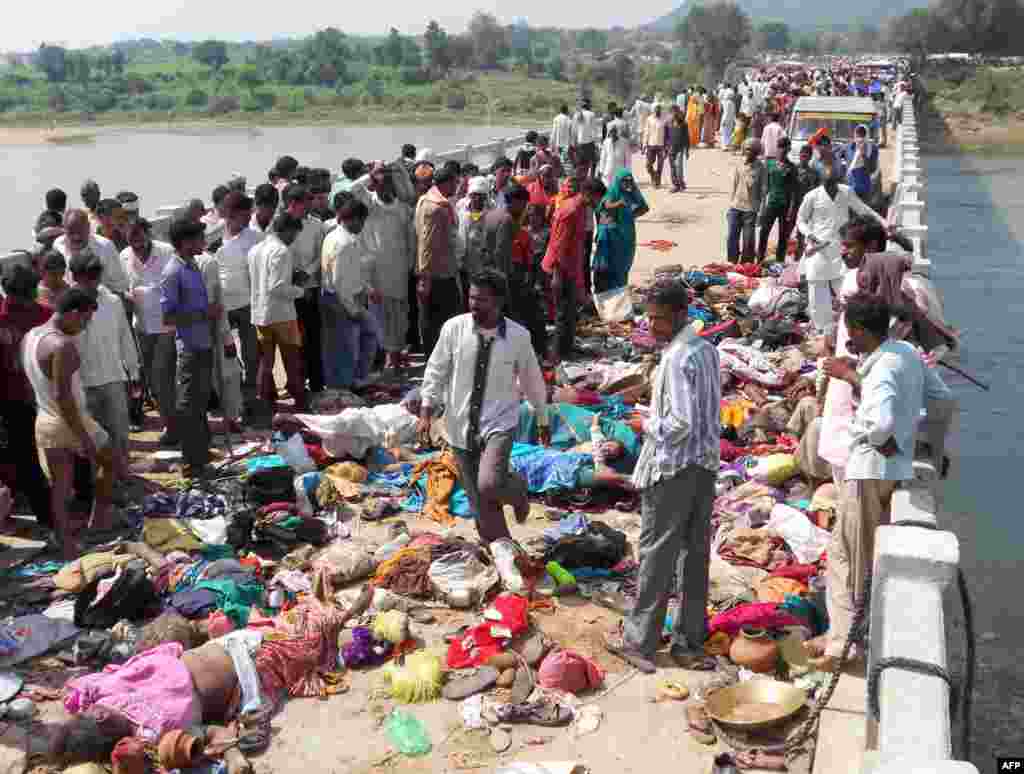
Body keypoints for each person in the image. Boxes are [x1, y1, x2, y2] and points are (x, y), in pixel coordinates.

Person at [805, 294, 952, 669]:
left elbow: (880, 423)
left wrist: (886, 444)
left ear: (855, 329)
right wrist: (929, 448)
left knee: (849, 558)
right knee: (853, 552)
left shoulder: (883, 368)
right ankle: (846, 634)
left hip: (869, 471)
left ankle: (844, 644)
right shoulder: (903, 352)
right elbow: (942, 398)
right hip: (892, 473)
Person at [604, 283, 721, 674]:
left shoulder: (676, 357)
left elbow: (680, 424)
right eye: (649, 317)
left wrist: (644, 422)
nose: (652, 325)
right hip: (703, 468)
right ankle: (689, 643)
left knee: (656, 554)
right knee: (694, 556)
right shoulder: (706, 351)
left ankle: (641, 642)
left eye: (658, 318)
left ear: (679, 316)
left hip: (672, 469)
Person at [418, 269, 547, 544]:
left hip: (499, 423)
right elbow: (436, 369)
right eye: (472, 298)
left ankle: (516, 491)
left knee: (489, 483)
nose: (474, 305)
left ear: (499, 302)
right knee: (478, 502)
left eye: (482, 300)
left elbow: (532, 379)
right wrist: (426, 410)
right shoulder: (454, 329)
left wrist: (542, 416)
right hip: (459, 425)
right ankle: (502, 548)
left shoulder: (518, 336)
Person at [23, 288, 117, 558]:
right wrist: (83, 437)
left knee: (61, 489)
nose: (85, 327)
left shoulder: (31, 337)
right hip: (68, 420)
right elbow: (63, 397)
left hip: (45, 420)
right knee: (108, 460)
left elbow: (33, 387)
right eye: (85, 320)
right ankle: (97, 520)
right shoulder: (62, 345)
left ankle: (67, 543)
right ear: (74, 313)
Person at [68, 253, 138, 483]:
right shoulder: (66, 306)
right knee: (92, 441)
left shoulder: (112, 302)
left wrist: (133, 371)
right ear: (76, 277)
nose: (93, 282)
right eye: (87, 277)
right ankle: (99, 486)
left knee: (119, 434)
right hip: (83, 384)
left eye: (95, 276)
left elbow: (125, 337)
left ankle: (122, 477)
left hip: (113, 379)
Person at [161, 216, 219, 480]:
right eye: (198, 238)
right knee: (188, 406)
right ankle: (191, 462)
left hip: (204, 344)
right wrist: (204, 314)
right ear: (185, 242)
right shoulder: (173, 272)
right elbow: (169, 318)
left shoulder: (193, 265)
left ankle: (201, 456)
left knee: (200, 404)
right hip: (190, 348)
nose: (203, 243)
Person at [796, 169, 887, 334]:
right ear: (822, 182)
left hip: (841, 250)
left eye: (834, 184)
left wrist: (883, 222)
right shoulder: (812, 196)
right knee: (817, 292)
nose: (832, 187)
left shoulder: (845, 192)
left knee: (847, 290)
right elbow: (801, 220)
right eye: (828, 184)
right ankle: (821, 330)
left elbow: (863, 209)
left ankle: (849, 327)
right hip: (819, 250)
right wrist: (810, 235)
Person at [0, 265, 54, 529]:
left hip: (48, 398)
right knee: (26, 458)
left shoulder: (46, 316)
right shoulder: (2, 319)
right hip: (13, 401)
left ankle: (78, 500)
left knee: (63, 451)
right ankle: (45, 515)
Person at [349, 164, 416, 374]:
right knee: (378, 318)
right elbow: (353, 189)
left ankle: (395, 358)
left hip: (399, 273)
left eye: (386, 183)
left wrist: (410, 265)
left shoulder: (403, 209)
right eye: (378, 184)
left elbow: (411, 242)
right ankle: (383, 360)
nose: (383, 188)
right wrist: (371, 176)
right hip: (375, 275)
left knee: (399, 318)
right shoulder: (370, 205)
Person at [122, 219, 178, 445]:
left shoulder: (166, 252)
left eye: (138, 234)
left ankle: (173, 426)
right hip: (142, 327)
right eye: (130, 235)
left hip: (168, 326)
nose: (135, 240)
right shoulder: (124, 256)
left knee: (163, 376)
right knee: (154, 381)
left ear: (147, 232)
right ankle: (172, 422)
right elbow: (124, 287)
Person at [542, 178, 606, 363]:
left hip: (570, 269)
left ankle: (567, 349)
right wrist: (557, 275)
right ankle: (559, 356)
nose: (597, 203)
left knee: (570, 314)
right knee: (563, 315)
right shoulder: (571, 211)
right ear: (589, 194)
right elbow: (559, 246)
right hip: (561, 270)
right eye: (597, 199)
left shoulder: (578, 209)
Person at [249, 213, 307, 413]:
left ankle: (265, 404)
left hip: (260, 314)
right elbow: (277, 286)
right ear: (287, 230)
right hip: (281, 314)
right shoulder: (282, 251)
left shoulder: (255, 250)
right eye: (295, 234)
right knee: (292, 360)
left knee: (266, 362)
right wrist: (300, 290)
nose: (294, 238)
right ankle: (300, 403)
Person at [320, 197, 379, 389]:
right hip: (342, 301)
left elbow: (352, 272)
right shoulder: (343, 243)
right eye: (361, 221)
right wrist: (352, 309)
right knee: (348, 347)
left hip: (340, 298)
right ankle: (348, 385)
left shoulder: (335, 237)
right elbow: (339, 282)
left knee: (349, 343)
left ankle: (353, 380)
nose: (362, 225)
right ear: (353, 219)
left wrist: (367, 289)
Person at [214, 192, 264, 416]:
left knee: (251, 352)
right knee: (224, 354)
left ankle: (250, 395)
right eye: (244, 215)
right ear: (231, 215)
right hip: (220, 307)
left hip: (248, 305)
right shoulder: (211, 237)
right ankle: (226, 398)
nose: (247, 220)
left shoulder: (255, 238)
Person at [280, 185, 325, 395]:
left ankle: (316, 382)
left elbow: (321, 255)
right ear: (292, 204)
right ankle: (295, 383)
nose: (308, 208)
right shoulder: (278, 225)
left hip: (310, 287)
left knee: (313, 337)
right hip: (287, 291)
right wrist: (292, 274)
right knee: (292, 342)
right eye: (304, 204)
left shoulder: (317, 225)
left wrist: (307, 272)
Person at [415, 165, 460, 355]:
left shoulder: (424, 200)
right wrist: (425, 277)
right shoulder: (437, 208)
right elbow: (427, 243)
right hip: (438, 273)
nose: (457, 186)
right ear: (448, 183)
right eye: (455, 183)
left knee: (432, 317)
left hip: (435, 271)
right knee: (443, 318)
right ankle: (436, 356)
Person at [592, 170, 649, 294]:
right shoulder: (611, 194)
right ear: (618, 181)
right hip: (610, 237)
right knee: (606, 270)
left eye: (630, 180)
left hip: (626, 238)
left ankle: (618, 296)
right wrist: (619, 206)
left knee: (623, 268)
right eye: (625, 181)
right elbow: (605, 210)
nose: (628, 183)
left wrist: (629, 217)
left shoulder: (630, 193)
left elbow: (644, 207)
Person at [55, 209, 130, 297]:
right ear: (64, 228)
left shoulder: (106, 247)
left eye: (80, 231)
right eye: (71, 231)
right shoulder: (58, 245)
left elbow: (119, 287)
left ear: (88, 227)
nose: (76, 237)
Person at [757, 136, 798, 262]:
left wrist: (791, 209)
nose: (781, 151)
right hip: (772, 203)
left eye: (784, 148)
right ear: (777, 148)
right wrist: (762, 206)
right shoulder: (769, 164)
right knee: (764, 232)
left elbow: (793, 190)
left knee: (783, 236)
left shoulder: (792, 167)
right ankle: (760, 259)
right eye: (780, 148)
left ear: (788, 150)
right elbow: (765, 187)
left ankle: (780, 261)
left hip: (785, 205)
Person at [727, 139, 766, 262]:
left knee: (748, 240)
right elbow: (734, 184)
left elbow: (764, 191)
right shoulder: (739, 165)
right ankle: (732, 261)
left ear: (756, 152)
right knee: (732, 237)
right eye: (746, 149)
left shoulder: (761, 168)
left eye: (751, 150)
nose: (748, 152)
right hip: (736, 207)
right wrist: (730, 205)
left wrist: (761, 212)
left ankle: (746, 264)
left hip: (751, 209)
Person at [456, 177, 492, 307]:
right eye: (474, 195)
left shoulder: (491, 211)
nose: (477, 199)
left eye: (481, 196)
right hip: (466, 265)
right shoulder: (462, 210)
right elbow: (459, 237)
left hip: (484, 265)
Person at [792, 145, 820, 259]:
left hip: (805, 207)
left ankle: (799, 259)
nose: (803, 157)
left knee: (801, 234)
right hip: (792, 205)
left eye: (806, 155)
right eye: (801, 155)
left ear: (810, 157)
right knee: (786, 232)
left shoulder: (813, 174)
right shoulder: (793, 169)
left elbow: (816, 192)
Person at [845, 124, 879, 202]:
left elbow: (872, 169)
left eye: (863, 135)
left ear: (866, 136)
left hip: (864, 188)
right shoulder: (850, 147)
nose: (860, 138)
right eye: (858, 134)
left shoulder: (872, 149)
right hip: (850, 186)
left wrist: (863, 154)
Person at [572, 99, 602, 180]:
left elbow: (574, 131)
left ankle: (580, 179)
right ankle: (591, 178)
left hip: (579, 144)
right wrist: (597, 144)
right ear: (588, 105)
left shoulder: (576, 115)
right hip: (589, 144)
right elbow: (594, 131)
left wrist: (574, 143)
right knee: (593, 162)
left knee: (580, 164)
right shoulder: (591, 114)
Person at [641, 103, 669, 189]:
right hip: (651, 145)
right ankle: (654, 176)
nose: (658, 110)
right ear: (653, 109)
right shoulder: (649, 119)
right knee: (648, 165)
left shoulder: (665, 120)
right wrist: (644, 145)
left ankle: (657, 182)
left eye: (659, 108)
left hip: (661, 146)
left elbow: (667, 134)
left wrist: (667, 146)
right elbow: (646, 132)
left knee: (660, 165)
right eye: (656, 108)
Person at [668, 104, 691, 192]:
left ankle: (680, 183)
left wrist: (687, 150)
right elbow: (667, 137)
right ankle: (676, 185)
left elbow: (687, 138)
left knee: (678, 167)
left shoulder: (684, 124)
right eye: (672, 112)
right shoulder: (669, 123)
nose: (673, 114)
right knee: (672, 167)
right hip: (671, 148)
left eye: (675, 112)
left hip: (680, 149)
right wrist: (666, 147)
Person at [719, 83, 737, 149]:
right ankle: (727, 144)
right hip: (731, 120)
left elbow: (726, 112)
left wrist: (724, 120)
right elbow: (733, 113)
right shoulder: (732, 103)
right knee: (728, 132)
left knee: (724, 132)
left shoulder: (726, 102)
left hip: (726, 119)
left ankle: (724, 145)